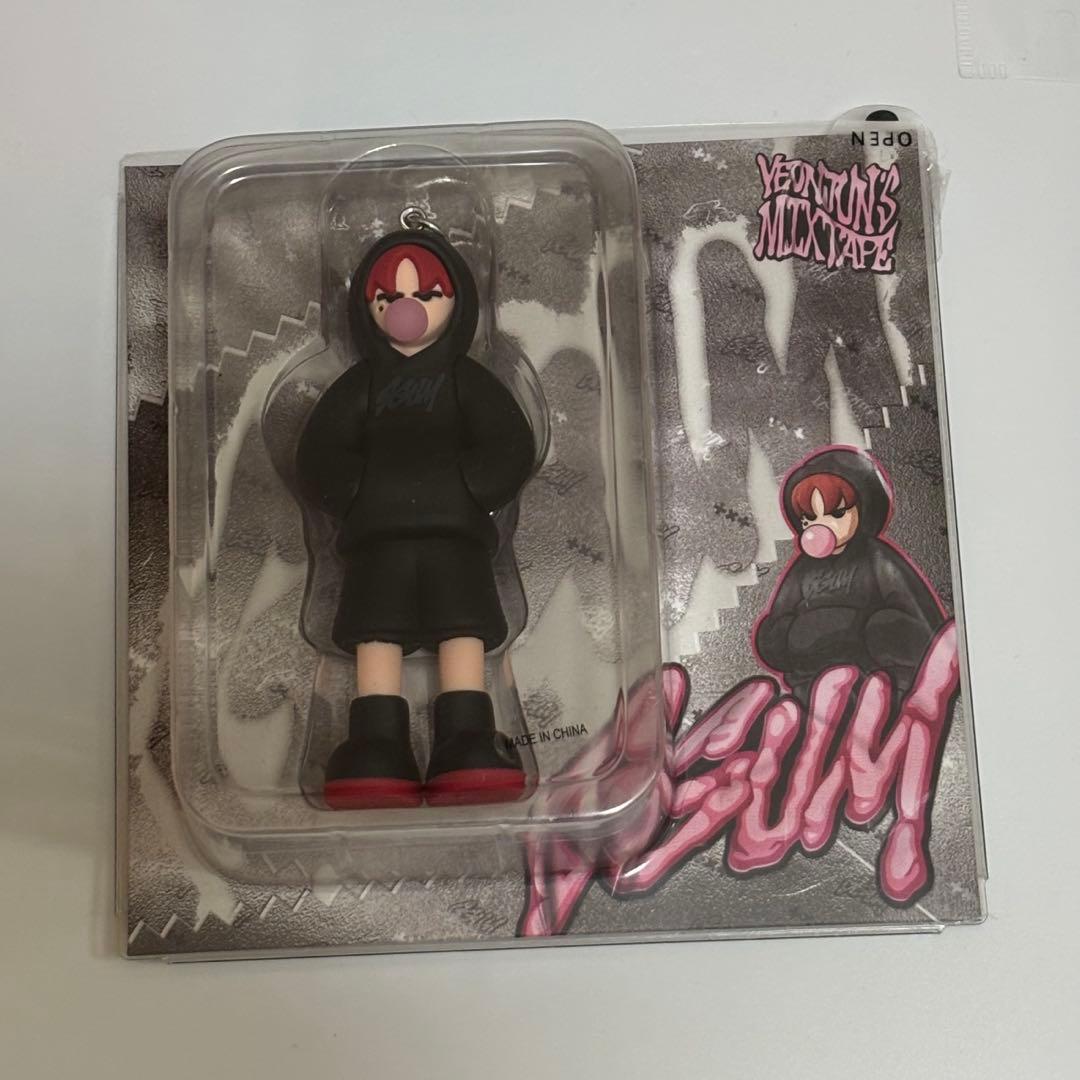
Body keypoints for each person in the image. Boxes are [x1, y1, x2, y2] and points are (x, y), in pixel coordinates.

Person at [295, 225, 536, 808]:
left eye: (426, 295)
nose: (407, 309)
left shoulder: (466, 381)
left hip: (457, 543)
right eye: (389, 298)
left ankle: (469, 738)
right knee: (376, 632)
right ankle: (376, 743)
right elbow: (318, 454)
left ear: (456, 302)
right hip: (377, 545)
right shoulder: (361, 385)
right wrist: (356, 489)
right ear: (368, 308)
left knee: (462, 628)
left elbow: (511, 444)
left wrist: (468, 484)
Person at [754, 446, 945, 707]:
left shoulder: (877, 558)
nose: (822, 525)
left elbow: (919, 625)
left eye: (836, 513)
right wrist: (797, 636)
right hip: (811, 684)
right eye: (809, 518)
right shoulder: (804, 568)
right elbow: (776, 626)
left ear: (862, 509)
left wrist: (853, 628)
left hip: (875, 685)